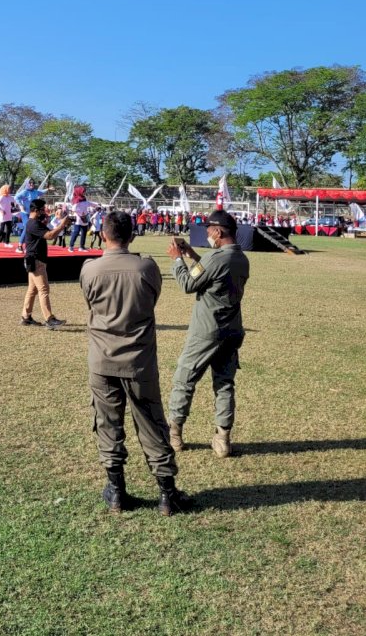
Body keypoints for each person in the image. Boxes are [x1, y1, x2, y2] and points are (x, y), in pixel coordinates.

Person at [79, 211, 192, 516]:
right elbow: (151, 299)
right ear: (132, 236)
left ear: (104, 235)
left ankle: (116, 492)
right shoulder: (146, 267)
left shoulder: (90, 270)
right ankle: (168, 495)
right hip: (139, 362)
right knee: (153, 425)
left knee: (107, 425)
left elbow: (91, 303)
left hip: (102, 360)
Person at [166, 209, 249, 458]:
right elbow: (212, 273)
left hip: (206, 331)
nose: (208, 235)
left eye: (209, 231)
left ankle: (174, 436)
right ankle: (223, 439)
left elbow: (188, 284)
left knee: (184, 380)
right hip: (232, 330)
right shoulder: (240, 258)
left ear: (219, 231)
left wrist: (177, 260)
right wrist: (192, 255)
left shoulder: (216, 258)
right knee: (224, 384)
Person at [20, 199, 71, 329]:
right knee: (43, 289)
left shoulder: (35, 223)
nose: (45, 211)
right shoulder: (34, 224)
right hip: (36, 260)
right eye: (42, 209)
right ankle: (49, 319)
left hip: (34, 259)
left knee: (32, 290)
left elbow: (47, 234)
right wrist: (62, 224)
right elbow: (50, 236)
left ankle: (26, 317)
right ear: (36, 210)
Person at [14, 178, 50, 253]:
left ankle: (29, 246)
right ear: (27, 184)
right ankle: (19, 246)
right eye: (30, 183)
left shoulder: (35, 192)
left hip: (33, 213)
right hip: (25, 213)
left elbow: (41, 192)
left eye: (33, 183)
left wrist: (48, 189)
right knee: (27, 227)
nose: (32, 184)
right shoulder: (24, 192)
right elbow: (16, 197)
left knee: (32, 228)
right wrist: (20, 205)